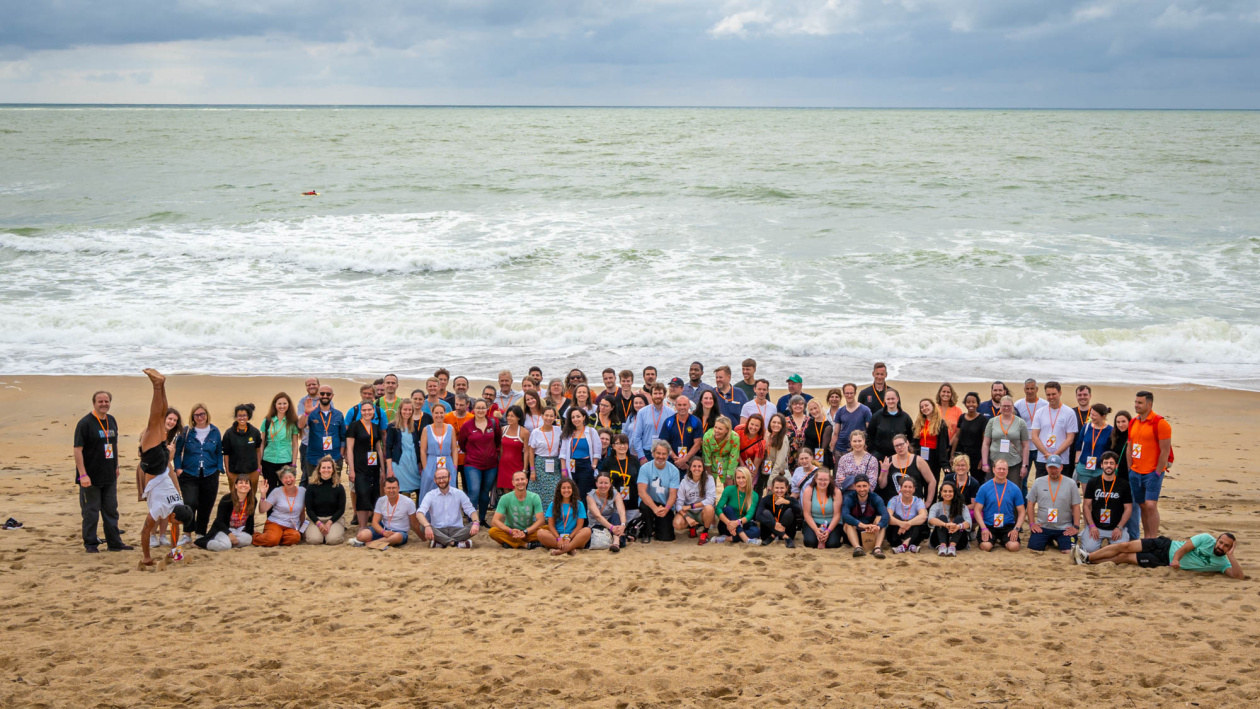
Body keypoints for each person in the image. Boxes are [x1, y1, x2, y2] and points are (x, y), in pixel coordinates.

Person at [74, 389, 132, 553]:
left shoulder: (111, 420)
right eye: (100, 401)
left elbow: (113, 445)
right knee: (91, 513)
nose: (104, 404)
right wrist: (83, 474)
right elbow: (78, 450)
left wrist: (117, 466)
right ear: (94, 403)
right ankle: (91, 544)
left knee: (111, 511)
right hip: (90, 477)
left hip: (109, 475)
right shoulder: (85, 423)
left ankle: (114, 543)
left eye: (106, 401)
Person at [1083, 532, 1243, 579]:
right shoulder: (1207, 539)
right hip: (1166, 545)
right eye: (1220, 542)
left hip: (1161, 560)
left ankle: (1090, 562)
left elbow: (1238, 577)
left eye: (1226, 546)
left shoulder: (1223, 562)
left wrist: (1231, 556)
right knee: (1125, 546)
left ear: (1230, 548)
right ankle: (1088, 557)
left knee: (1126, 557)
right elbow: (1185, 548)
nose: (1221, 546)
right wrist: (1176, 559)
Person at [173, 401, 223, 544]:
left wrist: (219, 468)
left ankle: (200, 533)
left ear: (207, 415)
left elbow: (219, 451)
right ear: (193, 417)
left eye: (202, 414)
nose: (200, 417)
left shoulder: (215, 431)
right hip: (189, 473)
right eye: (197, 415)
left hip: (210, 473)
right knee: (190, 502)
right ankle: (187, 534)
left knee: (206, 505)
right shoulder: (186, 432)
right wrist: (178, 468)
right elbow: (177, 452)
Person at [1128, 390, 1172, 540]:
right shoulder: (1133, 422)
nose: (1136, 405)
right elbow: (1130, 446)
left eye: (1140, 403)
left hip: (1153, 473)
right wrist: (1130, 469)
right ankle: (1146, 538)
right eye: (1135, 402)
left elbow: (1165, 451)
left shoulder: (1160, 423)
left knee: (1151, 506)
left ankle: (1152, 538)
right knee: (1142, 506)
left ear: (1149, 404)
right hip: (1135, 472)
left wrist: (1158, 472)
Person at [136, 407, 182, 547]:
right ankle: (152, 536)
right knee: (156, 504)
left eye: (175, 420)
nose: (172, 422)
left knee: (169, 504)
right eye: (170, 419)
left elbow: (170, 458)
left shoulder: (175, 436)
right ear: (164, 419)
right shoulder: (151, 432)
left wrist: (171, 452)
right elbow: (141, 453)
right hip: (150, 470)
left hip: (167, 469)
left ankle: (163, 535)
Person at [1076, 451, 1132, 557]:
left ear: (1116, 466)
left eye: (1111, 463)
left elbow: (1128, 508)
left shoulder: (1124, 484)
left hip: (1115, 527)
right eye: (1106, 463)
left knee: (1121, 551)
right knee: (1089, 549)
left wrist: (1119, 527)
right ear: (1101, 465)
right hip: (1096, 526)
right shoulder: (1093, 482)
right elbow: (1086, 506)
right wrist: (1091, 525)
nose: (1108, 466)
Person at [140, 463, 195, 566]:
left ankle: (174, 550)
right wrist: (147, 557)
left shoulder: (180, 505)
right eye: (178, 522)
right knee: (149, 526)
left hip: (164, 473)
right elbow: (145, 530)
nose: (177, 524)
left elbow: (175, 525)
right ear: (173, 515)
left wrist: (174, 551)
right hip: (150, 471)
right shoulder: (160, 506)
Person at [458, 399, 501, 526]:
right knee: (474, 491)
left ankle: (482, 518)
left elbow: (497, 440)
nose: (481, 410)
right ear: (473, 409)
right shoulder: (467, 425)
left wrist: (493, 453)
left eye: (483, 408)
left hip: (491, 465)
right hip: (472, 464)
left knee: (484, 492)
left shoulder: (493, 423)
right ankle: (472, 519)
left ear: (487, 409)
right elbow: (462, 443)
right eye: (478, 408)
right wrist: (473, 453)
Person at [346, 401, 386, 530]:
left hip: (374, 468)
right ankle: (362, 527)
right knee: (362, 494)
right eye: (364, 410)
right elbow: (349, 449)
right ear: (360, 412)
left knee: (374, 495)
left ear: (373, 411)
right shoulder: (354, 426)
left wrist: (383, 470)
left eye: (369, 410)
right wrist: (351, 470)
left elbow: (379, 449)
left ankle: (374, 526)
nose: (367, 412)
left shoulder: (375, 427)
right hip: (360, 467)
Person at [416, 467, 478, 549]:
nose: (441, 480)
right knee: (423, 526)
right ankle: (455, 543)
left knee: (474, 524)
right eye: (439, 478)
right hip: (438, 530)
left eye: (444, 477)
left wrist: (476, 523)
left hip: (457, 530)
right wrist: (427, 526)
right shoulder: (430, 495)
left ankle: (442, 543)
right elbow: (419, 513)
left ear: (450, 478)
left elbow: (471, 510)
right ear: (435, 480)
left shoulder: (459, 493)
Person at [973, 459, 1026, 552]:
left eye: (1004, 469)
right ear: (993, 469)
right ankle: (994, 540)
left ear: (1007, 470)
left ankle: (1002, 540)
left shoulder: (1015, 488)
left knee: (1014, 547)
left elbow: (1022, 512)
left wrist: (1016, 529)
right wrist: (983, 528)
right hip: (989, 525)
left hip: (1007, 525)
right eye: (999, 468)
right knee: (986, 547)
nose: (1001, 471)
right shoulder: (984, 488)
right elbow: (977, 510)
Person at [1030, 382, 1078, 480]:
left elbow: (1070, 438)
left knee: (1061, 489)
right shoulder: (1040, 412)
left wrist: (1055, 455)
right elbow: (1034, 436)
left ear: (1060, 393)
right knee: (1042, 488)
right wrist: (1046, 454)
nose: (1051, 397)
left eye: (1053, 394)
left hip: (1062, 459)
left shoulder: (1069, 412)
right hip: (1043, 459)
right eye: (1048, 395)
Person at [981, 396, 1030, 488]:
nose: (1006, 408)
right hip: (995, 462)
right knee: (994, 488)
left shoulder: (1020, 422)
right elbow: (986, 443)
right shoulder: (992, 422)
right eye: (1004, 406)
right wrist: (985, 463)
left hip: (1014, 463)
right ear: (1000, 407)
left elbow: (1025, 445)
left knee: (1013, 489)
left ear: (1013, 407)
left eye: (1009, 406)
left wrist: (1024, 465)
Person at [195, 475, 254, 551]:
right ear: (235, 486)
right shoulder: (227, 499)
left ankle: (228, 542)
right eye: (241, 483)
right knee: (225, 546)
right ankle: (205, 543)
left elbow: (250, 520)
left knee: (248, 539)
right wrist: (229, 534)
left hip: (238, 530)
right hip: (224, 530)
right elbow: (219, 521)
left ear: (250, 487)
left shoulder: (252, 500)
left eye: (246, 483)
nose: (244, 485)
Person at [352, 476, 415, 548]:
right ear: (384, 489)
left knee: (397, 537)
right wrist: (383, 532)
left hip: (400, 531)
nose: (391, 491)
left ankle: (373, 543)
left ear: (398, 489)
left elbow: (414, 523)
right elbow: (375, 522)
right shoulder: (381, 500)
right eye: (389, 488)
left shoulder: (408, 502)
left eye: (394, 488)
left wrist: (423, 538)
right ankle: (381, 541)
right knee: (361, 535)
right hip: (384, 528)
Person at [637, 441, 681, 543]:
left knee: (666, 537)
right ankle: (647, 532)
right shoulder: (645, 468)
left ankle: (656, 527)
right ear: (653, 453)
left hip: (665, 505)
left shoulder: (674, 470)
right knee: (645, 507)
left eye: (664, 454)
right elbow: (642, 492)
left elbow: (673, 495)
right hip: (649, 503)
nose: (661, 456)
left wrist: (666, 509)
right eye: (658, 453)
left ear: (668, 454)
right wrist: (655, 508)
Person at [489, 470, 545, 549]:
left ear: (527, 481)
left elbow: (541, 520)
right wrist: (510, 531)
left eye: (522, 479)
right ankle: (525, 545)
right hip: (511, 532)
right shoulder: (505, 498)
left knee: (546, 529)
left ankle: (511, 543)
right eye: (517, 480)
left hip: (529, 531)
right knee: (493, 532)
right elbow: (494, 521)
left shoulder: (534, 497)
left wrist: (525, 531)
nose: (520, 482)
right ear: (513, 482)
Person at [299, 384, 346, 476]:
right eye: (322, 393)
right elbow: (301, 425)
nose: (325, 396)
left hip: (334, 457)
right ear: (318, 395)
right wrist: (306, 413)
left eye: (328, 394)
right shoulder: (311, 414)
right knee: (314, 487)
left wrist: (341, 454)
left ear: (332, 396)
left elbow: (343, 436)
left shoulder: (338, 414)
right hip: (314, 458)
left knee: (334, 486)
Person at [252, 467, 306, 547]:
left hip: (291, 526)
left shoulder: (302, 491)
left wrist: (303, 532)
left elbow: (302, 513)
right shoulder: (277, 491)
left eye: (290, 477)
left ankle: (277, 537)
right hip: (275, 523)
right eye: (285, 478)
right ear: (281, 480)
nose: (288, 480)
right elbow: (262, 510)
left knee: (295, 538)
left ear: (295, 478)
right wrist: (263, 494)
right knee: (272, 540)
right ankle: (254, 536)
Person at [539, 478, 592, 555]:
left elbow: (579, 526)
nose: (566, 490)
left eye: (569, 488)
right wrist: (558, 538)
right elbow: (551, 525)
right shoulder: (553, 504)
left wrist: (569, 538)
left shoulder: (579, 504)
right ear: (559, 490)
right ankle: (570, 549)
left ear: (573, 489)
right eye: (563, 488)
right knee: (540, 533)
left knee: (587, 530)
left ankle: (562, 550)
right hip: (557, 537)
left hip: (573, 537)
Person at [879, 434, 936, 506]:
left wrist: (928, 502)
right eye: (896, 446)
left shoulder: (918, 460)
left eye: (901, 444)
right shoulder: (889, 461)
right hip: (894, 504)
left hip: (914, 504)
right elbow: (882, 485)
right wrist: (883, 471)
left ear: (907, 443)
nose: (899, 447)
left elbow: (932, 481)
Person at [259, 393, 300, 491]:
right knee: (270, 489)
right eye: (279, 404)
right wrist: (259, 463)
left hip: (285, 461)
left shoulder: (292, 422)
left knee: (284, 489)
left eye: (284, 403)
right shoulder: (267, 421)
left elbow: (295, 445)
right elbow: (261, 443)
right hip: (268, 460)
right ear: (275, 405)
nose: (282, 406)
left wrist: (293, 464)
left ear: (289, 405)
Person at [385, 400, 425, 502]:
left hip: (413, 463)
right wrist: (389, 469)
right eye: (405, 409)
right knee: (401, 490)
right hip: (399, 463)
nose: (407, 412)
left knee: (419, 487)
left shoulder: (414, 426)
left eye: (409, 410)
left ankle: (417, 514)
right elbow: (388, 448)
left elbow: (417, 445)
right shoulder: (392, 426)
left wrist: (419, 462)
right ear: (400, 410)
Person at [302, 455, 347, 545]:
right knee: (314, 540)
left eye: (329, 467)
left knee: (332, 540)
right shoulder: (311, 487)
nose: (326, 470)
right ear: (319, 469)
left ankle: (334, 531)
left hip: (334, 519)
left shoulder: (339, 487)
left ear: (333, 469)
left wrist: (329, 523)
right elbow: (309, 510)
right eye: (323, 467)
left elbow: (341, 509)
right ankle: (320, 534)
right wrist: (319, 524)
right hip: (316, 519)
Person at [560, 405, 602, 498]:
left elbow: (597, 451)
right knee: (572, 493)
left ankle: (583, 512)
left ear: (584, 417)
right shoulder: (568, 433)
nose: (576, 419)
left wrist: (594, 466)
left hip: (585, 465)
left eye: (578, 416)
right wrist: (563, 469)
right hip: (571, 465)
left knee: (584, 493)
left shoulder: (591, 431)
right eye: (573, 417)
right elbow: (562, 453)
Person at [419, 400, 457, 503]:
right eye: (436, 413)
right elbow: (423, 450)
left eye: (441, 413)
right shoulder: (427, 429)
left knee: (448, 491)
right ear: (432, 413)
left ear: (445, 413)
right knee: (430, 490)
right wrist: (425, 468)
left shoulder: (450, 429)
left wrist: (454, 467)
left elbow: (454, 449)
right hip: (431, 462)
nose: (439, 415)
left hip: (447, 462)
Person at [841, 475, 888, 558]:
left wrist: (878, 526)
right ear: (855, 486)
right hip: (854, 533)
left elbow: (885, 515)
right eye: (859, 486)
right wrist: (862, 525)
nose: (862, 489)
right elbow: (845, 515)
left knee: (880, 519)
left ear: (869, 485)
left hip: (871, 533)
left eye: (864, 486)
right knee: (848, 524)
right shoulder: (849, 498)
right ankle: (857, 548)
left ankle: (877, 548)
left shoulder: (875, 498)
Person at [599, 433, 641, 524]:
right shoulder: (608, 462)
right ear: (613, 446)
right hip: (613, 502)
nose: (622, 446)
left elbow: (639, 481)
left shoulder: (634, 461)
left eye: (625, 443)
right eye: (619, 443)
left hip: (632, 502)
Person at [222, 403, 263, 497]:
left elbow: (258, 450)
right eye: (239, 415)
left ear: (248, 416)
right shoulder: (229, 433)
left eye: (244, 415)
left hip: (252, 471)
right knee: (235, 498)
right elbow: (226, 454)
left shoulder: (255, 432)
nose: (242, 418)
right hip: (234, 472)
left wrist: (258, 467)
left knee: (251, 498)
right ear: (236, 417)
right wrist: (228, 471)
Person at [527, 406, 563, 510]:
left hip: (555, 464)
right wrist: (532, 470)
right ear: (542, 416)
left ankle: (551, 517)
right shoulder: (536, 432)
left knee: (554, 491)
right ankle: (537, 518)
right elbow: (531, 451)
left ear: (555, 417)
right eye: (546, 415)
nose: (549, 418)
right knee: (538, 492)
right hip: (540, 464)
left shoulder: (558, 430)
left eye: (551, 416)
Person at [674, 458, 716, 544]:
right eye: (694, 466)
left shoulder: (709, 479)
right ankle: (692, 526)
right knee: (677, 524)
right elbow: (678, 504)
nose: (697, 469)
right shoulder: (684, 481)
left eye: (699, 466)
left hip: (702, 512)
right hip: (689, 512)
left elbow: (711, 500)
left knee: (709, 508)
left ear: (703, 468)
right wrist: (687, 517)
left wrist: (691, 506)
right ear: (690, 468)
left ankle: (705, 532)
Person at [866, 388, 913, 463]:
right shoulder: (877, 416)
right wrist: (873, 452)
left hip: (900, 455)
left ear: (897, 399)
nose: (890, 401)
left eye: (893, 399)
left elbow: (911, 436)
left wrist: (906, 451)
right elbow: (870, 435)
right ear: (885, 400)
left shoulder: (905, 417)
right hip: (880, 456)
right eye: (888, 399)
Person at [715, 467, 760, 544]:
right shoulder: (729, 489)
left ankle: (727, 539)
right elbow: (718, 508)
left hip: (743, 524)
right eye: (738, 478)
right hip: (727, 526)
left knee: (756, 532)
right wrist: (729, 524)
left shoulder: (754, 495)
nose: (741, 480)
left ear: (748, 478)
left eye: (743, 477)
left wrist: (737, 523)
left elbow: (750, 514)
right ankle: (744, 538)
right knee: (728, 509)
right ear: (735, 479)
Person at [1074, 403, 1114, 491]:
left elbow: (1112, 451)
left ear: (1103, 416)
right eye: (1091, 414)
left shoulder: (1111, 430)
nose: (1091, 417)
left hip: (1100, 469)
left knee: (1099, 497)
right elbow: (1079, 446)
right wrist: (1077, 464)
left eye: (1094, 415)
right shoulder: (1086, 427)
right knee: (1087, 498)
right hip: (1084, 467)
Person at [801, 467, 843, 549]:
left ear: (829, 480)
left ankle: (826, 537)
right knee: (810, 543)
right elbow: (806, 513)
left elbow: (837, 515)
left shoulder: (836, 492)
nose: (823, 482)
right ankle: (818, 537)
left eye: (825, 480)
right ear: (815, 479)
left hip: (832, 522)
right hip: (814, 521)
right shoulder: (809, 491)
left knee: (832, 544)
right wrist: (816, 530)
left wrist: (828, 531)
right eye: (820, 479)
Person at [928, 480, 973, 556]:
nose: (947, 494)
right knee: (942, 517)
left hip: (958, 542)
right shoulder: (936, 506)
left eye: (950, 491)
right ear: (941, 493)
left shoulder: (962, 506)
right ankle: (943, 546)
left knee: (959, 518)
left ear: (954, 493)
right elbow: (931, 519)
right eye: (945, 491)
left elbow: (968, 522)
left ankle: (952, 546)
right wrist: (945, 524)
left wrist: (958, 526)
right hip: (938, 541)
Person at [587, 472, 628, 551]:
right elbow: (597, 516)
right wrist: (612, 527)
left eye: (606, 483)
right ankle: (619, 538)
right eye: (601, 483)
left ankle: (616, 542)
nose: (603, 486)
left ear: (610, 484)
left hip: (612, 524)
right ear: (596, 484)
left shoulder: (616, 494)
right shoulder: (590, 496)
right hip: (596, 525)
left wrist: (623, 525)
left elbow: (621, 511)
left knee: (616, 515)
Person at [886, 477, 928, 554]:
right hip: (897, 534)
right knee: (896, 517)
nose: (907, 489)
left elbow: (923, 516)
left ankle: (904, 545)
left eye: (910, 487)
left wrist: (908, 524)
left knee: (917, 520)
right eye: (905, 487)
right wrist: (901, 524)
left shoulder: (918, 501)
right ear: (900, 488)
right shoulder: (894, 500)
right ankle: (909, 546)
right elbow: (888, 517)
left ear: (914, 489)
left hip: (911, 531)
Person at [831, 383, 872, 460]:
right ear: (843, 394)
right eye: (847, 393)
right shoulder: (840, 411)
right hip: (841, 449)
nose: (849, 395)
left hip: (858, 448)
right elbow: (836, 433)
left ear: (855, 393)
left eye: (851, 393)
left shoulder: (865, 410)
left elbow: (870, 432)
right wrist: (832, 450)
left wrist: (867, 448)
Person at [950, 392, 986, 478]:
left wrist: (983, 459)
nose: (971, 404)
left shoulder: (983, 419)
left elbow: (985, 441)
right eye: (968, 402)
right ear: (965, 404)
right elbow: (957, 436)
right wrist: (952, 455)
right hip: (961, 453)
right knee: (959, 478)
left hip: (976, 456)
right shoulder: (962, 417)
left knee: (977, 480)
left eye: (973, 402)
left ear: (977, 404)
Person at [632, 384, 671, 464]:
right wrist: (641, 456)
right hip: (647, 453)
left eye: (660, 393)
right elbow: (637, 436)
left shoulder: (671, 413)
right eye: (655, 393)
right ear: (651, 395)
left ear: (664, 395)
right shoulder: (642, 412)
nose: (657, 396)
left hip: (664, 453)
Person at [661, 395, 701, 470]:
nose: (682, 407)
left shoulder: (696, 421)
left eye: (684, 405)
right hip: (673, 462)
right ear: (675, 406)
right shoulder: (669, 421)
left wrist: (684, 459)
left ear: (689, 405)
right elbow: (664, 443)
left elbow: (697, 445)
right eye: (679, 405)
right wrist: (676, 459)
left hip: (691, 463)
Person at [756, 475, 798, 547]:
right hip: (767, 533)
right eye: (776, 488)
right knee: (765, 512)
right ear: (772, 489)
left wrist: (788, 502)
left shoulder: (791, 500)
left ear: (786, 488)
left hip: (787, 531)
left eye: (782, 488)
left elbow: (799, 512)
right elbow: (758, 516)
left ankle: (774, 535)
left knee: (790, 510)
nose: (779, 490)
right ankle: (784, 536)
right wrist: (774, 524)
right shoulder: (765, 499)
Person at [913, 398, 950, 476]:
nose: (924, 408)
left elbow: (943, 445)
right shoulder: (919, 422)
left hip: (934, 456)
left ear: (933, 406)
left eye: (926, 405)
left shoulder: (940, 423)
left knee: (933, 481)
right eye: (922, 407)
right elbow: (914, 441)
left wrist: (945, 464)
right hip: (921, 454)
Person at [701, 415, 741, 486]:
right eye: (715, 427)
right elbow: (707, 457)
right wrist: (709, 475)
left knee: (729, 487)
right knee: (710, 486)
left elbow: (734, 457)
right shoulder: (707, 436)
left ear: (727, 430)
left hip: (728, 462)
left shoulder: (735, 437)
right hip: (712, 462)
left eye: (720, 429)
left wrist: (730, 474)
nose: (716, 431)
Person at [760, 413, 792, 494]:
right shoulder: (768, 436)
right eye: (774, 422)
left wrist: (771, 482)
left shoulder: (783, 439)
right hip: (766, 471)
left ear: (782, 425)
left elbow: (779, 463)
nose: (776, 425)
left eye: (779, 423)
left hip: (777, 476)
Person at [295, 377, 320, 471]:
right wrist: (306, 414)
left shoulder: (325, 399)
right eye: (308, 385)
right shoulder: (303, 401)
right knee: (306, 474)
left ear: (318, 385)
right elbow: (300, 424)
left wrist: (310, 420)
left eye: (314, 384)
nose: (311, 386)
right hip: (307, 444)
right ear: (306, 387)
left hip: (323, 444)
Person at [734, 414, 767, 486]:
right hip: (736, 459)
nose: (753, 427)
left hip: (750, 465)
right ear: (747, 423)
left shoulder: (761, 442)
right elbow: (735, 449)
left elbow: (755, 466)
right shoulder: (738, 430)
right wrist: (742, 465)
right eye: (752, 424)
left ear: (760, 427)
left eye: (757, 425)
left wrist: (749, 481)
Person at [802, 398, 834, 470]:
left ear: (821, 407)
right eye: (811, 409)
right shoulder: (810, 421)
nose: (814, 411)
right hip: (807, 456)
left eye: (815, 408)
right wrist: (802, 453)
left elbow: (823, 448)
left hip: (819, 458)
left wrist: (814, 460)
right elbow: (806, 438)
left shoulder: (827, 426)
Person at [783, 395, 810, 462]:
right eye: (794, 404)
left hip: (806, 457)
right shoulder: (785, 421)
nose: (798, 406)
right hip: (789, 456)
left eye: (800, 404)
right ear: (791, 406)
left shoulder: (810, 421)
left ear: (804, 406)